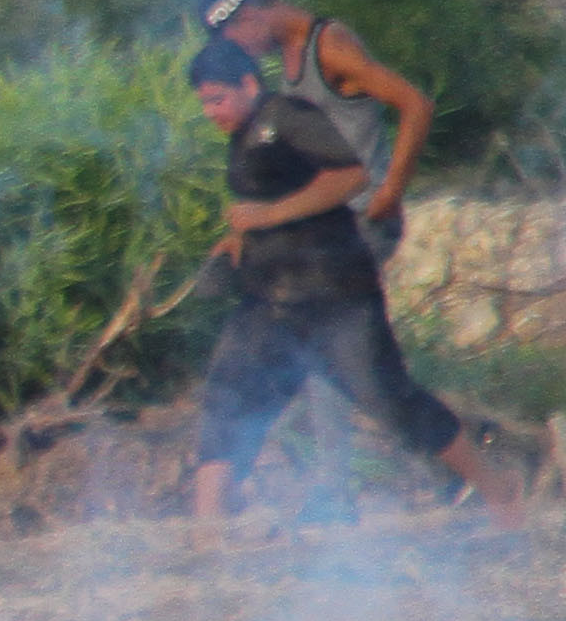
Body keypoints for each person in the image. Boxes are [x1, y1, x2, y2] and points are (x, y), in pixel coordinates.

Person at [185, 37, 525, 529]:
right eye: (203, 103)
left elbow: (349, 177)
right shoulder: (242, 138)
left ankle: (499, 491)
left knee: (390, 399)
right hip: (271, 299)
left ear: (248, 83)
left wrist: (267, 215)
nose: (210, 111)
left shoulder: (289, 116)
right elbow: (267, 209)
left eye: (217, 98)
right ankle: (207, 528)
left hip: (335, 295)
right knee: (227, 395)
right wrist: (236, 240)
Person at [200, 0, 430, 264]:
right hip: (325, 220)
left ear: (248, 16)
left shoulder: (329, 47)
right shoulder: (289, 54)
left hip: (361, 221)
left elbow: (416, 104)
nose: (246, 54)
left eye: (238, 43)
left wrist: (392, 190)